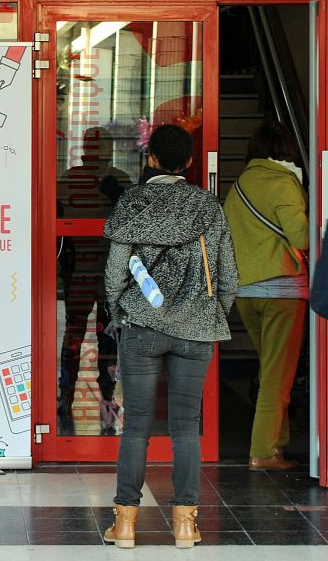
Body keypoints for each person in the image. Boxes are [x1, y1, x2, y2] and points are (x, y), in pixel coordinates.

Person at [102, 125, 238, 550]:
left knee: (137, 426)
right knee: (184, 427)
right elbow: (228, 276)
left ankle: (124, 524)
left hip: (142, 326)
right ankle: (184, 525)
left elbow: (114, 273)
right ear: (190, 163)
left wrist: (119, 313)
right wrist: (209, 315)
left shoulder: (132, 201)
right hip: (196, 330)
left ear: (151, 160)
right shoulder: (208, 206)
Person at [222, 122, 309, 471]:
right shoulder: (283, 182)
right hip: (282, 291)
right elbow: (301, 237)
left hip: (246, 292)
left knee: (272, 369)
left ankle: (277, 446)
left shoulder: (241, 183)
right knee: (278, 376)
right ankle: (262, 451)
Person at [56, 127, 132, 434]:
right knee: (91, 334)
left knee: (100, 335)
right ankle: (75, 395)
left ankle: (89, 396)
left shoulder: (114, 179)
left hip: (100, 270)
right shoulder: (77, 179)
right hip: (91, 269)